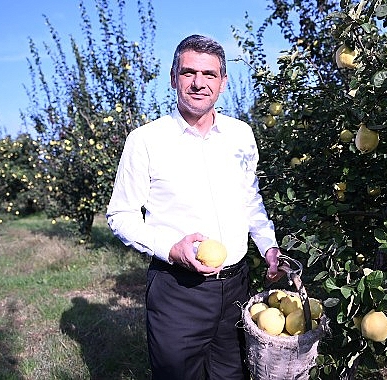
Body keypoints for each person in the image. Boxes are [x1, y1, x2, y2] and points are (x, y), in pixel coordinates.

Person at [106, 34, 284, 379]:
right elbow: (121, 215)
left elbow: (250, 198)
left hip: (236, 289)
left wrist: (268, 245)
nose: (199, 83)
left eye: (210, 74)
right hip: (177, 290)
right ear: (173, 78)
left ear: (223, 82)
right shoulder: (146, 140)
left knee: (232, 374)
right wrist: (171, 249)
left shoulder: (241, 135)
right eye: (188, 73)